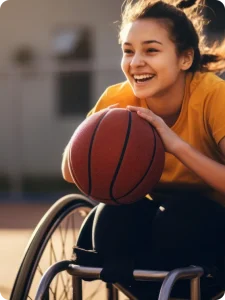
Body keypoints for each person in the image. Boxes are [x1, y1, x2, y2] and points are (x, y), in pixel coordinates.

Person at [62, 0, 225, 298]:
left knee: (182, 216)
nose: (135, 62)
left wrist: (174, 145)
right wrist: (91, 144)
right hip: (155, 221)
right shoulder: (118, 100)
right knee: (113, 214)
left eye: (151, 50)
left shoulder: (213, 96)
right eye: (128, 51)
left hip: (210, 219)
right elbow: (69, 172)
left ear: (185, 58)